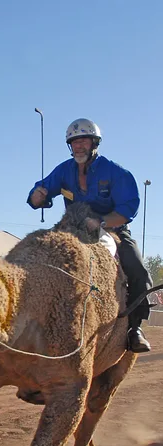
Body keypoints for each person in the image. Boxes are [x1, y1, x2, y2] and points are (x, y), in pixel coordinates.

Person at [27, 118, 152, 353]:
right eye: (74, 143)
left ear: (94, 143)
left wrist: (102, 222)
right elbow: (41, 190)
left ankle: (134, 328)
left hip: (112, 229)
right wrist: (37, 196)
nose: (78, 146)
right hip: (71, 229)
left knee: (139, 271)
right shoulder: (64, 170)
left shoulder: (116, 173)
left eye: (83, 141)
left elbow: (127, 210)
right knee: (36, 257)